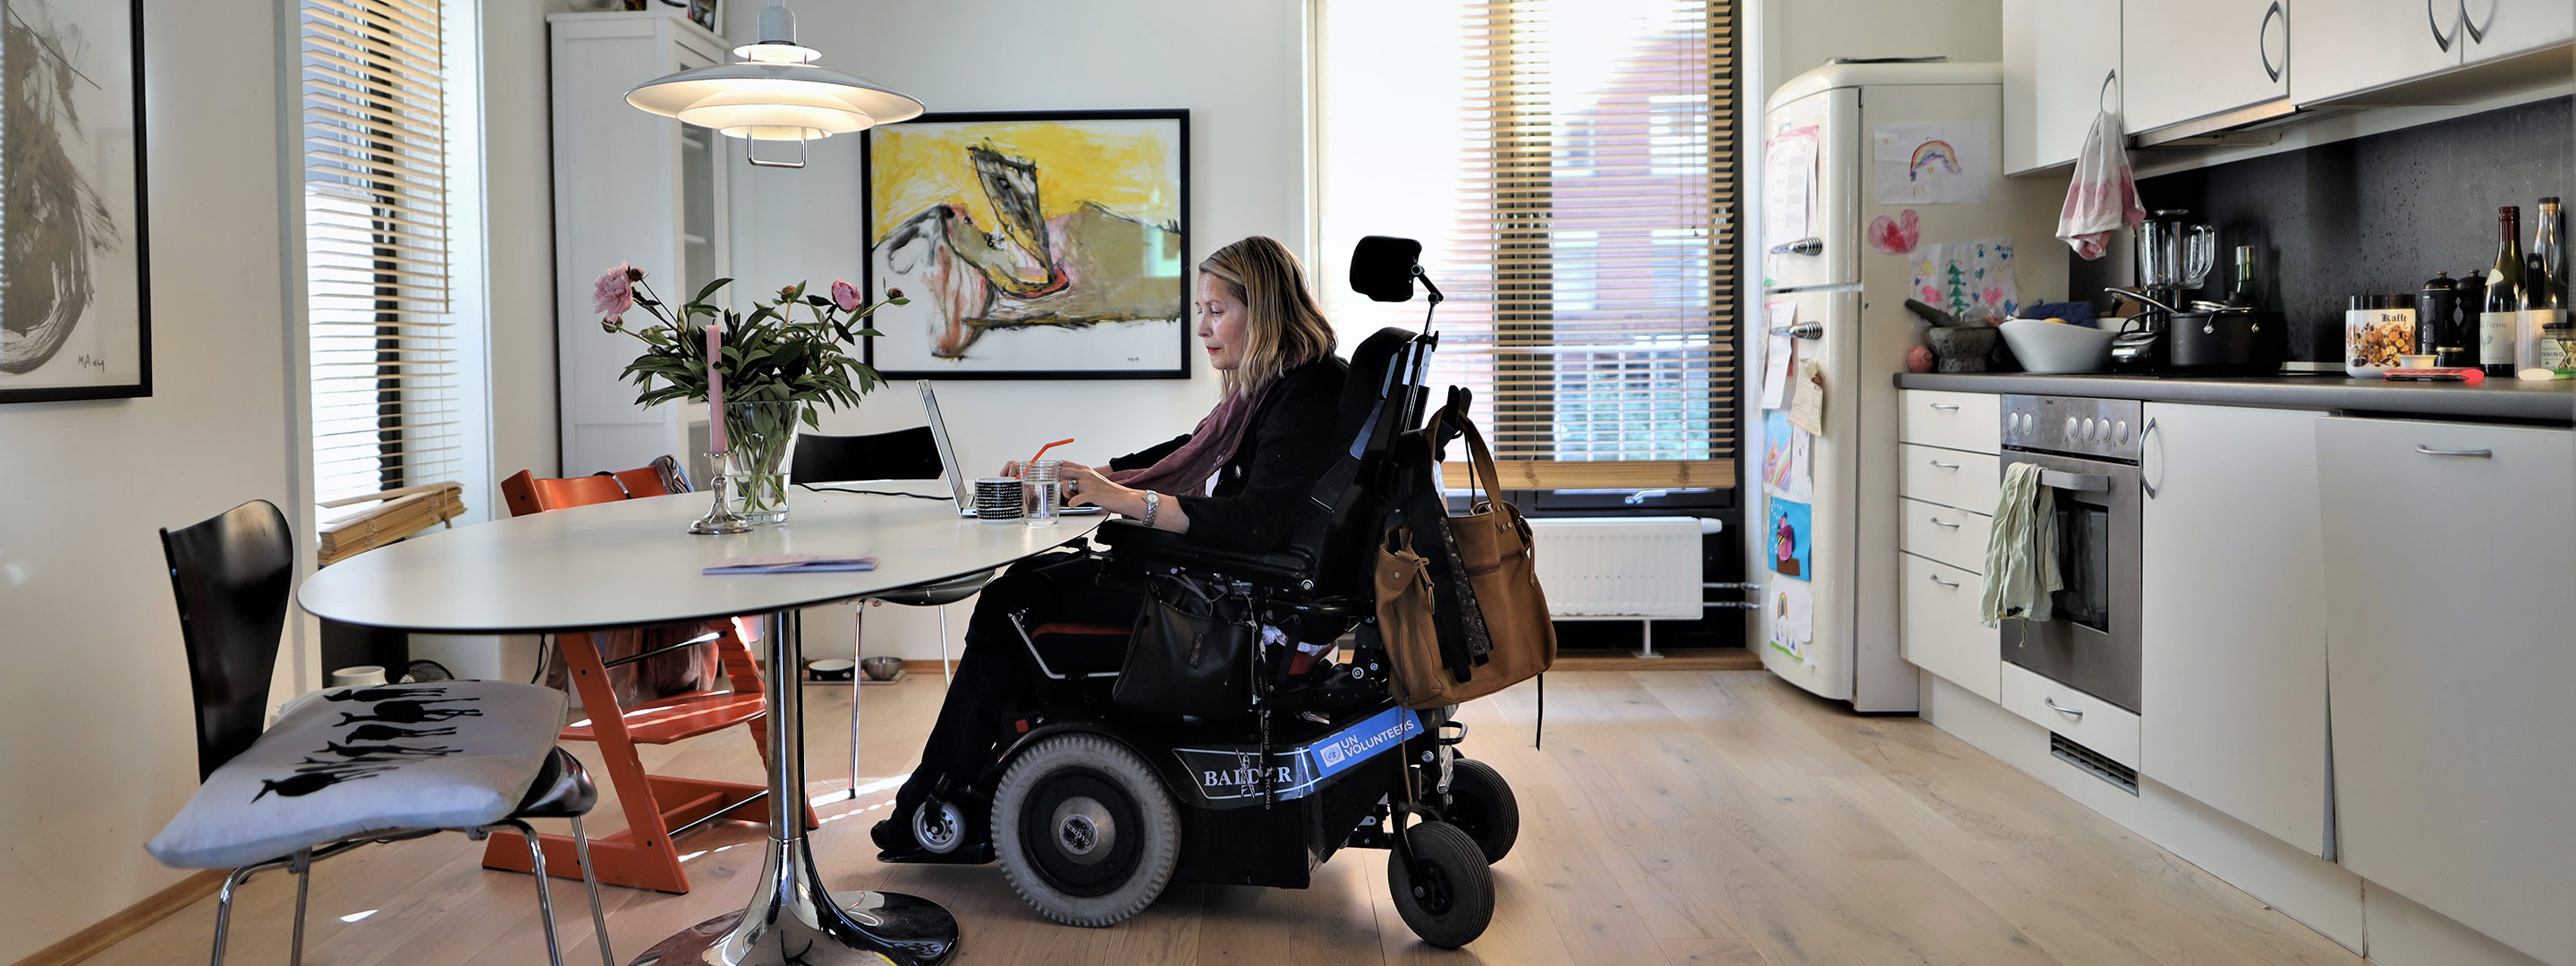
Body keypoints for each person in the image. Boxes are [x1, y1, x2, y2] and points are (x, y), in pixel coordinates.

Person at [874, 235, 1347, 861]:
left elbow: (1255, 522)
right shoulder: (1276, 386)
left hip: (1238, 610)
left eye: (1216, 311)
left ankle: (940, 805)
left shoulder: (1305, 391)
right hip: (1233, 589)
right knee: (1030, 586)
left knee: (1014, 603)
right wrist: (1091, 480)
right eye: (1200, 311)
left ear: (1262, 311)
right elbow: (1182, 453)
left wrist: (1122, 500)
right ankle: (972, 790)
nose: (1203, 328)